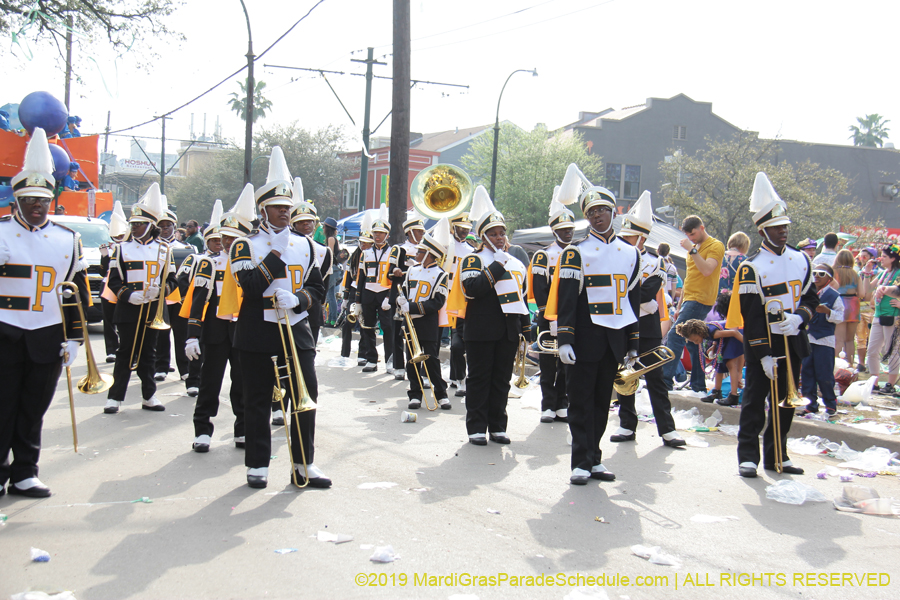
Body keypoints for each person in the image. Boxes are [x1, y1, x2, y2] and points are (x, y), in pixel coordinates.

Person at [227, 147, 329, 489]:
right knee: (257, 400)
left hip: (296, 330)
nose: (284, 212)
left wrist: (299, 299)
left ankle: (304, 464)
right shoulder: (244, 245)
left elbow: (317, 288)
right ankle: (257, 464)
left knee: (305, 398)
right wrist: (276, 252)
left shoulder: (308, 246)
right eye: (277, 207)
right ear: (263, 210)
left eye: (287, 207)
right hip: (257, 332)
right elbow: (251, 286)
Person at [0, 127, 90, 498]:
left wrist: (75, 337)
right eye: (30, 200)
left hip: (48, 334)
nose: (37, 206)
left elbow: (76, 292)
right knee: (2, 407)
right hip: (4, 331)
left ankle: (25, 472)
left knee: (34, 408)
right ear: (17, 200)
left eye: (43, 199)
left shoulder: (68, 238)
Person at [552, 168, 641, 485]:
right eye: (591, 212)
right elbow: (567, 301)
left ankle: (595, 459)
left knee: (603, 403)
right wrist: (564, 340)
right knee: (580, 402)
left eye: (603, 209)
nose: (597, 216)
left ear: (614, 212)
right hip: (584, 339)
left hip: (614, 340)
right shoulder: (576, 251)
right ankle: (580, 462)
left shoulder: (631, 253)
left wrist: (633, 344)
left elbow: (631, 301)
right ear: (586, 217)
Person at [730, 172, 817, 478]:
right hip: (763, 344)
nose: (783, 231)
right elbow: (751, 315)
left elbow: (811, 298)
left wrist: (800, 317)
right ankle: (748, 457)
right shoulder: (751, 267)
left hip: (792, 339)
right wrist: (764, 353)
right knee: (754, 401)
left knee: (786, 403)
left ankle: (778, 455)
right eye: (777, 227)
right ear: (763, 230)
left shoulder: (802, 259)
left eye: (785, 226)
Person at [609, 191, 684, 447]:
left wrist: (632, 296)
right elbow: (615, 292)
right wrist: (640, 301)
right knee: (625, 376)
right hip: (623, 324)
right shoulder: (614, 256)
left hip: (647, 330)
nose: (624, 239)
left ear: (642, 238)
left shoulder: (656, 262)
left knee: (655, 379)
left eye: (630, 236)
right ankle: (626, 426)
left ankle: (667, 430)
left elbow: (647, 292)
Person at [460, 186, 530, 446]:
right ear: (483, 236)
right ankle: (477, 427)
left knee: (501, 380)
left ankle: (498, 426)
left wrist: (526, 329)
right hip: (480, 330)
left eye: (502, 233)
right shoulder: (473, 259)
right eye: (493, 234)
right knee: (479, 379)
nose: (499, 238)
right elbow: (473, 289)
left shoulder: (517, 263)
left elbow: (521, 298)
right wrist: (497, 265)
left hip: (508, 330)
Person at [103, 183, 177, 414]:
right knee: (125, 352)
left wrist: (161, 291)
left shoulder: (164, 249)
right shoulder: (121, 249)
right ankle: (115, 397)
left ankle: (149, 396)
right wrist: (128, 295)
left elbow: (173, 280)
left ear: (150, 226)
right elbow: (114, 281)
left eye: (139, 224)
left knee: (148, 353)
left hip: (153, 308)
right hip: (129, 308)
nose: (134, 227)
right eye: (132, 224)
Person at [184, 197, 246, 453]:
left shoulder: (251, 263)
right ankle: (202, 430)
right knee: (210, 383)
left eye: (234, 238)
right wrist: (192, 335)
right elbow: (199, 301)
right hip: (215, 332)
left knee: (242, 383)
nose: (228, 242)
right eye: (225, 237)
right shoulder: (209, 263)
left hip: (243, 332)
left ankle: (242, 429)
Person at [662, 215, 724, 392]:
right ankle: (698, 384)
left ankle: (665, 380)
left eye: (693, 234)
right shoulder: (695, 248)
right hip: (690, 299)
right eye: (688, 235)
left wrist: (692, 250)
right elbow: (690, 278)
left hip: (701, 299)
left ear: (702, 228)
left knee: (675, 335)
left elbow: (707, 270)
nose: (691, 238)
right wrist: (679, 306)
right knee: (693, 341)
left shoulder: (716, 246)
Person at [398, 218, 452, 410]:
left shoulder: (441, 275)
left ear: (430, 254)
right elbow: (404, 292)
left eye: (421, 251)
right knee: (412, 361)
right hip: (410, 322)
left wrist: (411, 307)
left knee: (431, 360)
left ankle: (441, 394)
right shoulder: (411, 271)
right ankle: (415, 394)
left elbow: (437, 302)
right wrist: (400, 301)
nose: (417, 253)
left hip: (428, 323)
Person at [529, 195, 575, 424]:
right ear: (554, 231)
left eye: (570, 229)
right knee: (548, 361)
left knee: (567, 362)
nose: (568, 233)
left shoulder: (577, 254)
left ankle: (562, 403)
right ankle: (548, 404)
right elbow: (540, 290)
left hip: (571, 316)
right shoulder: (544, 255)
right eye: (563, 229)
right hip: (549, 317)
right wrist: (551, 316)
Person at [154, 201, 200, 396]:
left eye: (168, 226)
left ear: (174, 227)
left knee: (182, 334)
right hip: (160, 298)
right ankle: (161, 366)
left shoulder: (187, 248)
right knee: (161, 334)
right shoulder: (153, 248)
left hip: (180, 298)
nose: (165, 229)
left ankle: (185, 369)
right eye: (161, 226)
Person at [352, 203, 394, 373]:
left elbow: (394, 279)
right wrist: (357, 301)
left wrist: (390, 296)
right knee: (367, 327)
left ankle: (390, 360)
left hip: (384, 294)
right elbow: (360, 278)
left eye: (381, 233)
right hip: (368, 294)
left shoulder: (393, 252)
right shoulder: (366, 253)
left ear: (387, 235)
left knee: (388, 328)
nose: (377, 236)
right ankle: (371, 359)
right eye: (375, 233)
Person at [799, 264, 843, 416]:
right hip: (808, 338)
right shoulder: (807, 292)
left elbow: (840, 317)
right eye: (815, 273)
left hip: (825, 340)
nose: (817, 276)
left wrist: (828, 311)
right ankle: (810, 404)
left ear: (829, 278)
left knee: (824, 374)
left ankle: (830, 404)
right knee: (807, 372)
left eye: (821, 274)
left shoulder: (834, 296)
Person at [290, 185, 332, 345]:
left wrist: (321, 304)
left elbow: (324, 281)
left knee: (309, 348)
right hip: (290, 300)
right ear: (293, 224)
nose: (306, 225)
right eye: (301, 222)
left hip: (312, 304)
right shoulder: (285, 247)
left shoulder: (323, 251)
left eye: (309, 221)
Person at [388, 211, 426, 380]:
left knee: (417, 333)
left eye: (423, 231)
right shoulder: (399, 249)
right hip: (400, 295)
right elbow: (390, 271)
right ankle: (398, 366)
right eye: (419, 231)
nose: (422, 234)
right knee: (397, 333)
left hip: (418, 296)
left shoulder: (426, 250)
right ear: (410, 232)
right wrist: (396, 270)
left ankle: (417, 368)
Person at [679, 312, 744, 407]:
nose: (696, 343)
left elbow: (733, 333)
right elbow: (719, 334)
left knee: (730, 364)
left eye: (696, 340)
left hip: (736, 336)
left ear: (699, 332)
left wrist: (746, 344)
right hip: (726, 339)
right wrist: (714, 346)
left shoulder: (713, 333)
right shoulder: (707, 331)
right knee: (718, 364)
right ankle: (716, 392)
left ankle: (733, 395)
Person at [861, 245, 900, 394]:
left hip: (893, 315)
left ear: (893, 258)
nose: (881, 259)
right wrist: (867, 272)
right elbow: (867, 290)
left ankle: (890, 384)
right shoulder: (883, 273)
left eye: (884, 256)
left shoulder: (898, 273)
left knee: (892, 350)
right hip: (878, 314)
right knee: (872, 350)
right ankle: (874, 383)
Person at [447, 213, 476, 397]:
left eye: (467, 229)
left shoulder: (471, 251)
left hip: (460, 296)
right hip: (444, 293)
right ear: (453, 228)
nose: (464, 232)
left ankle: (456, 376)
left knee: (455, 338)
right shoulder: (445, 245)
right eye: (461, 228)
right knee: (443, 337)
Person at [99, 202, 128, 362]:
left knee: (124, 319)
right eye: (116, 236)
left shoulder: (129, 248)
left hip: (124, 286)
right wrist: (104, 256)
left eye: (121, 236)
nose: (118, 239)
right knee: (108, 319)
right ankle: (111, 350)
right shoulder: (109, 248)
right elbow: (103, 271)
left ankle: (125, 348)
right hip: (108, 287)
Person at [832, 249, 860, 366]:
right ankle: (850, 365)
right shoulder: (855, 274)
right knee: (850, 340)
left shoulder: (833, 272)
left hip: (839, 303)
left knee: (839, 340)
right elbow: (862, 293)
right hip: (853, 306)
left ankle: (836, 366)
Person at [856, 247, 879, 372]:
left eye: (865, 256)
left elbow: (869, 293)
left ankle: (871, 363)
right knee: (860, 337)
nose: (862, 259)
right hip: (860, 307)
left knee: (872, 338)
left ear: (872, 258)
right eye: (861, 256)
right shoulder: (859, 272)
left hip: (873, 308)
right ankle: (861, 363)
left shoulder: (880, 273)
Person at [322, 217, 341, 324]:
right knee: (330, 295)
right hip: (334, 268)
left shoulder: (330, 239)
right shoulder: (334, 238)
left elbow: (329, 255)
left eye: (324, 226)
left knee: (330, 295)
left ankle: (332, 319)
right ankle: (330, 319)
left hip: (331, 269)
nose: (323, 229)